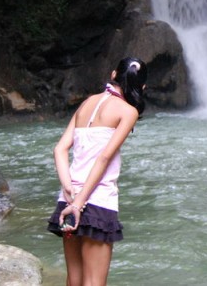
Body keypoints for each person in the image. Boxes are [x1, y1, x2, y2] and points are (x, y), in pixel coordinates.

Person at [47, 57, 147, 286]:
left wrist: (69, 189)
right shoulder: (128, 111)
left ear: (113, 75)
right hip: (97, 202)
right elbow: (104, 157)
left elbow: (59, 149)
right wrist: (80, 203)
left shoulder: (87, 103)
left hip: (68, 199)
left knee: (74, 278)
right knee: (94, 282)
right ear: (142, 87)